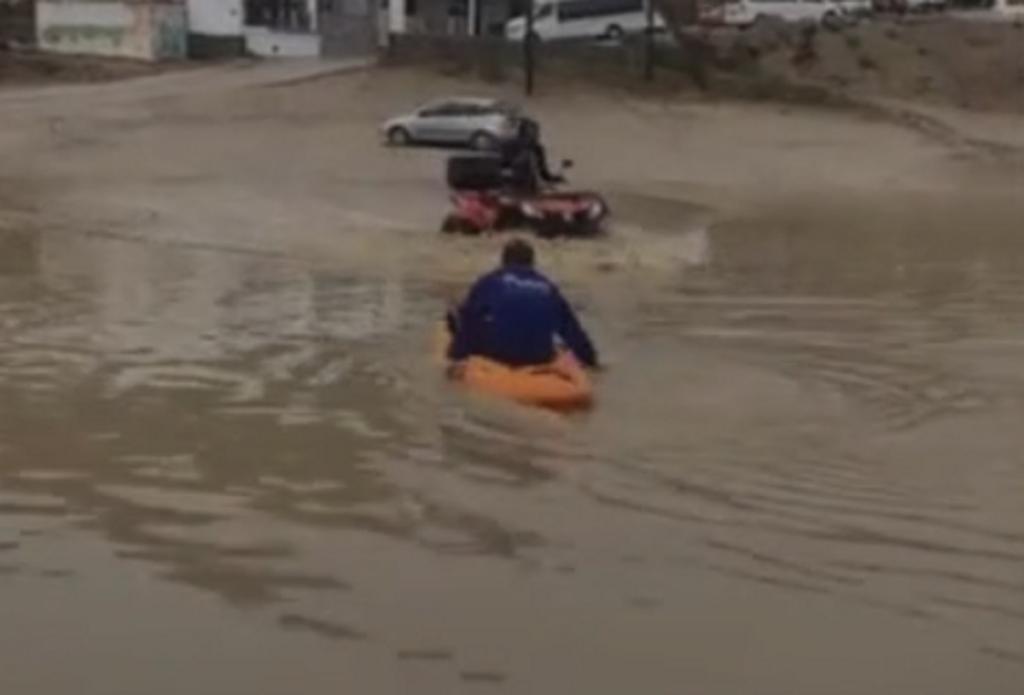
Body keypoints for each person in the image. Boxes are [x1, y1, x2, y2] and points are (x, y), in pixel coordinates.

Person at [448, 239, 598, 369]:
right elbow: (574, 333)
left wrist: (456, 357)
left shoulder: (490, 281)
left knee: (459, 314)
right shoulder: (547, 286)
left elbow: (469, 321)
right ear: (532, 262)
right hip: (539, 357)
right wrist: (591, 362)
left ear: (503, 261)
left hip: (500, 355)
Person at [498, 117, 563, 194]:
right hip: (513, 187)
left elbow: (543, 171)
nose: (536, 134)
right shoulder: (509, 145)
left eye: (536, 131)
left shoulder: (537, 148)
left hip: (531, 187)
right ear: (523, 131)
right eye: (532, 131)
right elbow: (500, 166)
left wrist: (555, 178)